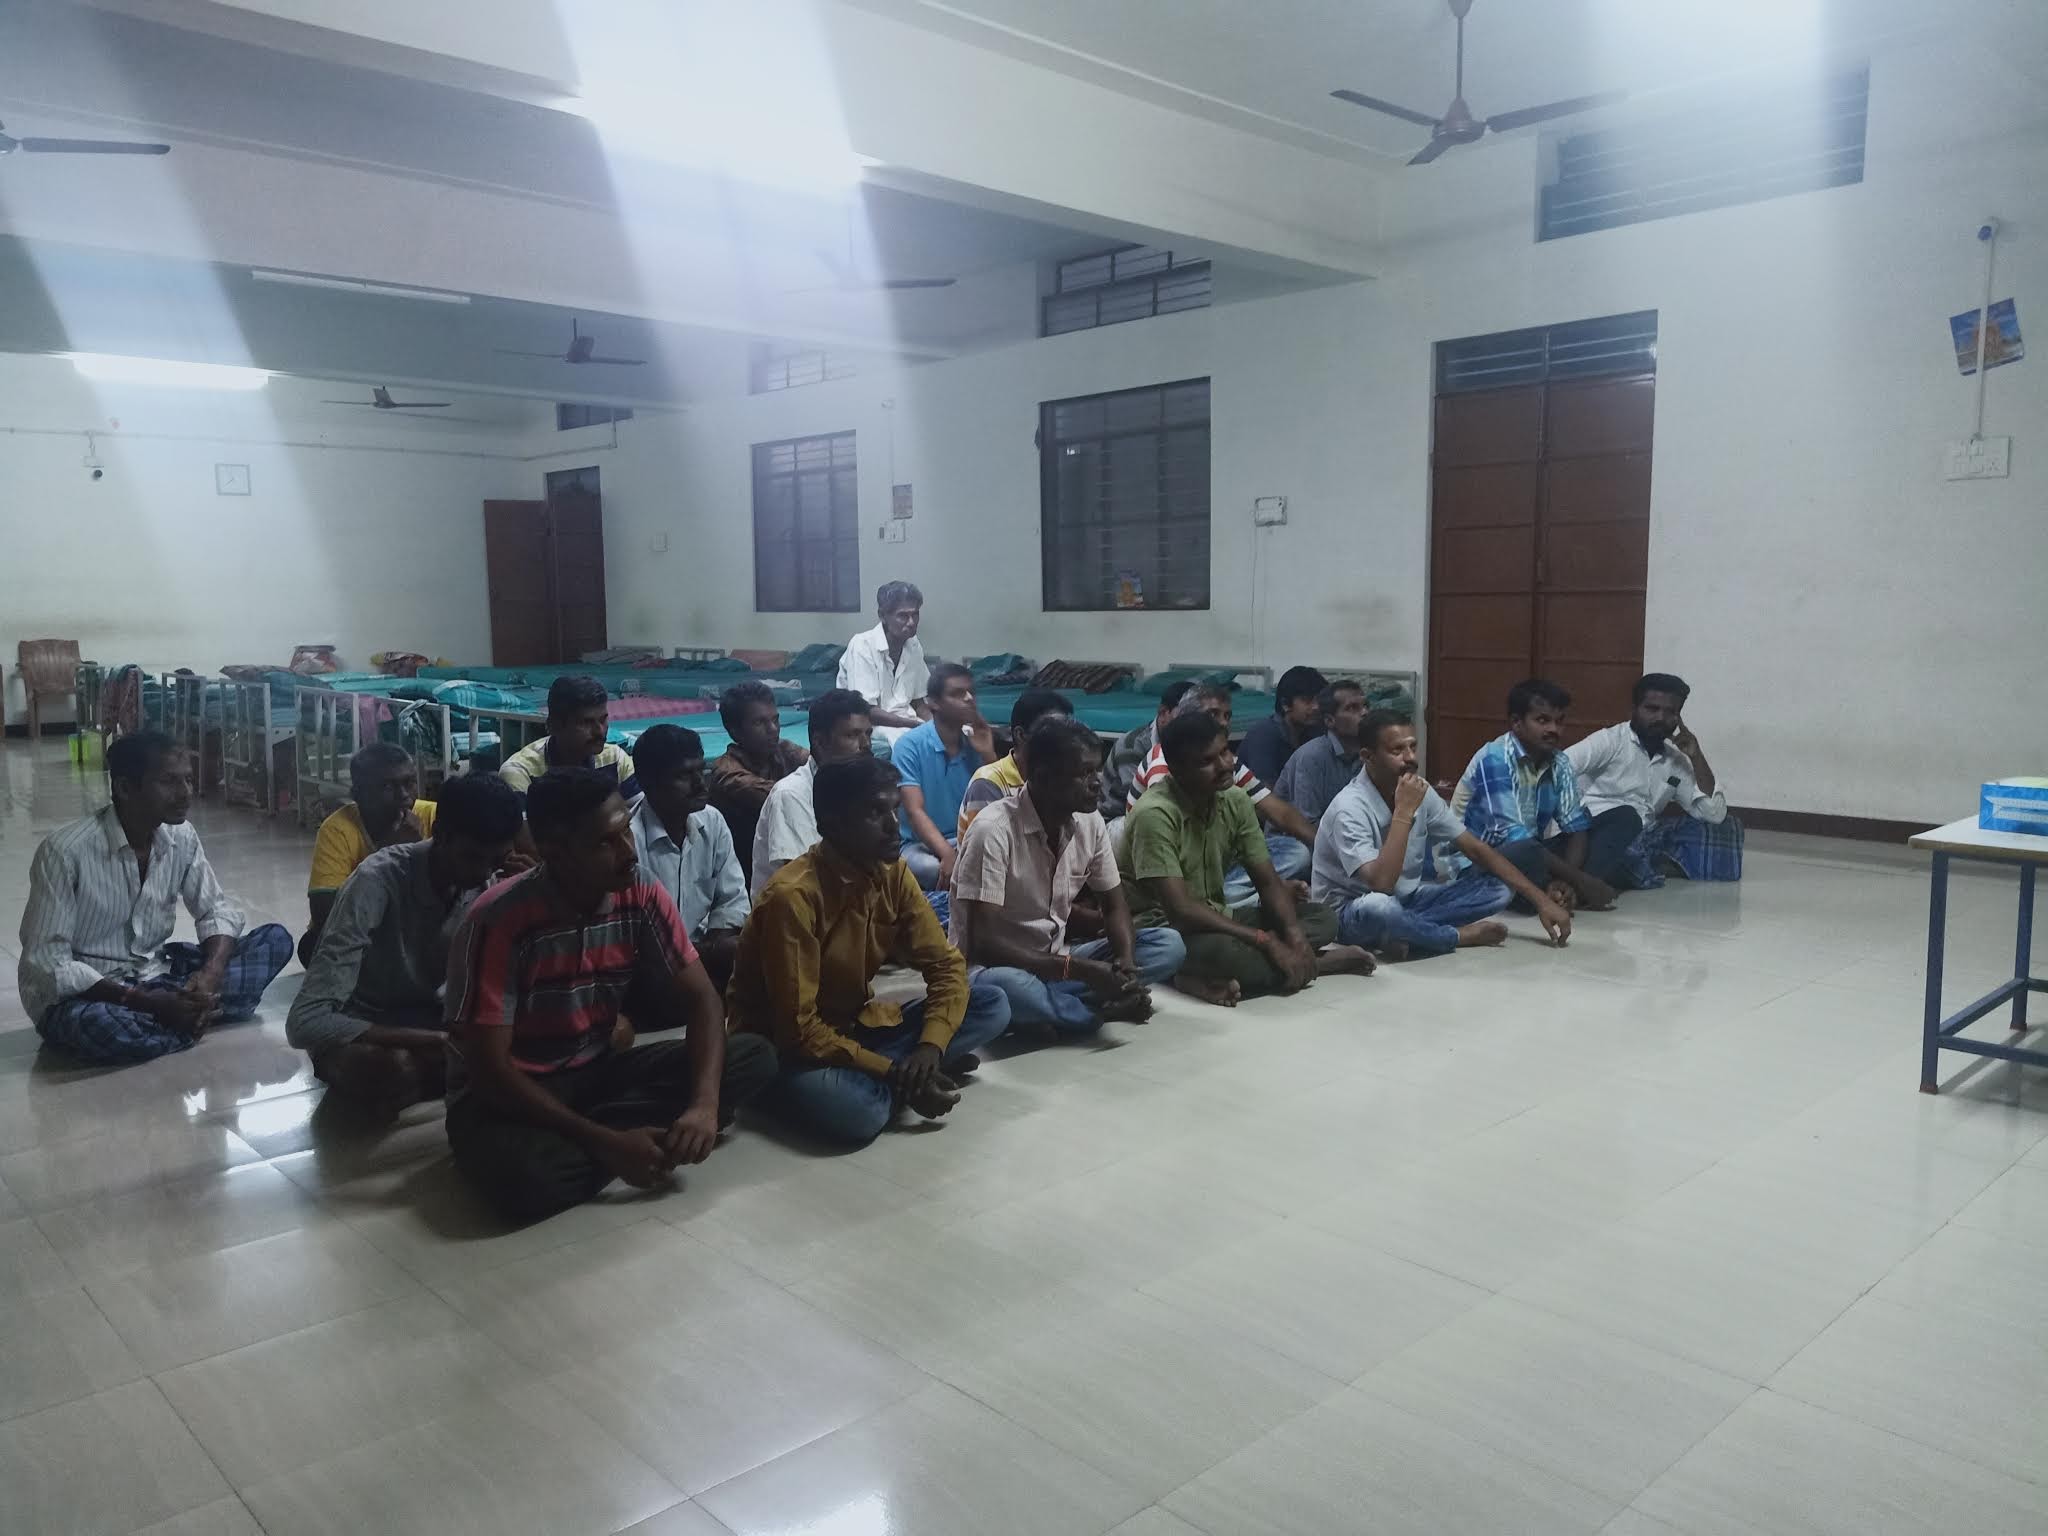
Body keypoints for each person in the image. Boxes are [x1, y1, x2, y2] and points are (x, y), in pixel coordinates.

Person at [442, 769, 777, 1223]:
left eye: (626, 832)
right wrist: (606, 1143)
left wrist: (704, 1105)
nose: (628, 852)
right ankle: (620, 1140)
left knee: (753, 1055)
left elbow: (703, 999)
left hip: (595, 1070)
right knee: (525, 1180)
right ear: (555, 853)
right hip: (509, 1095)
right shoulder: (499, 921)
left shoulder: (639, 890)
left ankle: (613, 1138)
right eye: (605, 842)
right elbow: (490, 1073)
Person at [728, 755, 1011, 1146]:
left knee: (992, 1004)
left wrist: (929, 1048)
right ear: (831, 825)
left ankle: (904, 1071)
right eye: (875, 813)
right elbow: (798, 1029)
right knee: (861, 1113)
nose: (895, 825)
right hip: (787, 1047)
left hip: (855, 1026)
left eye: (894, 809)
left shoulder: (892, 871)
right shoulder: (792, 898)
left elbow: (945, 967)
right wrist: (894, 1070)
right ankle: (887, 1079)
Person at [19, 730, 293, 1064]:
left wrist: (209, 975)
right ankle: (194, 1016)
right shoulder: (64, 852)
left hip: (157, 975)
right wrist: (145, 1002)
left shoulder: (181, 836)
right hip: (92, 995)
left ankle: (183, 1014)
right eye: (169, 781)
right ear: (125, 788)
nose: (186, 793)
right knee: (98, 1025)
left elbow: (215, 910)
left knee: (274, 940)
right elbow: (48, 964)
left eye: (188, 779)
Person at [287, 774, 523, 1113]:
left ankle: (449, 1072)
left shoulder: (491, 880)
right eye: (473, 858)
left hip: (433, 1016)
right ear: (440, 835)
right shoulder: (376, 880)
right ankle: (452, 1073)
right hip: (367, 1023)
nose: (485, 873)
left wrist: (533, 898)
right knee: (388, 1070)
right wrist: (438, 1041)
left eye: (496, 860)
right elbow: (305, 1022)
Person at [954, 716, 1186, 1037]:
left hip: (1054, 960)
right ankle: (1093, 1014)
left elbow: (1114, 905)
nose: (1097, 783)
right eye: (1084, 773)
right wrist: (1077, 970)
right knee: (1008, 990)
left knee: (1168, 945)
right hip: (994, 969)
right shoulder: (992, 830)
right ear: (1042, 777)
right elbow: (984, 944)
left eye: (1097, 770)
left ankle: (1060, 1009)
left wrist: (1125, 964)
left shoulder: (1089, 822)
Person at [1120, 712, 1372, 1006]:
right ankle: (1317, 964)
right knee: (1223, 953)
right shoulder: (1156, 813)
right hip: (1164, 932)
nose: (1225, 765)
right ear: (1176, 769)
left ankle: (1271, 963)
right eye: (1206, 761)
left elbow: (1267, 881)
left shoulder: (1235, 799)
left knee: (1323, 918)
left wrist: (1294, 937)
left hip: (1218, 915)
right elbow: (1181, 911)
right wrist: (1264, 940)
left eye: (1225, 752)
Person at [1313, 711, 1573, 959]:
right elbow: (1382, 884)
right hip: (1350, 913)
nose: (1410, 757)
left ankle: (1406, 933)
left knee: (1499, 891)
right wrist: (1403, 812)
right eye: (1397, 750)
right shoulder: (1348, 808)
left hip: (1407, 901)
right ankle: (1454, 936)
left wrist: (1541, 901)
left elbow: (1475, 848)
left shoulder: (1420, 790)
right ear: (1367, 756)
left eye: (1413, 747)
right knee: (1380, 907)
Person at [1127, 683, 1317, 900]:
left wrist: (1327, 848)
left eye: (1227, 716)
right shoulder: (1167, 762)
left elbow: (1279, 812)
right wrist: (1275, 887)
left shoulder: (1225, 762)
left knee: (1297, 851)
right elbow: (1171, 840)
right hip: (1169, 866)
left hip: (1213, 857)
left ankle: (1239, 897)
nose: (1223, 722)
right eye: (1213, 714)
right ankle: (1241, 899)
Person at [1451, 678, 1618, 911]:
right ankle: (1556, 891)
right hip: (1476, 863)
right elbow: (1513, 838)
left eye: (1559, 721)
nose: (1553, 730)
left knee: (1621, 818)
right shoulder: (1495, 758)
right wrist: (1582, 879)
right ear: (1516, 723)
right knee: (1524, 850)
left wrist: (1568, 879)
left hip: (1529, 851)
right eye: (1542, 720)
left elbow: (1576, 827)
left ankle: (1559, 889)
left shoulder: (1559, 762)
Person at [1564, 672, 1743, 889]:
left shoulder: (1676, 760)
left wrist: (1696, 756)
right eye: (1652, 709)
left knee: (1727, 828)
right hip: (1601, 831)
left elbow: (1714, 814)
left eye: (1670, 712)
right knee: (1624, 826)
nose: (1660, 718)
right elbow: (1558, 769)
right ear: (1633, 710)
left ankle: (1637, 866)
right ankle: (1629, 867)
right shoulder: (1609, 741)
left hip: (1644, 834)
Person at [629, 725, 750, 990]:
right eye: (684, 775)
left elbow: (731, 901)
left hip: (707, 956)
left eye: (701, 770)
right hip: (652, 973)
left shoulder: (712, 821)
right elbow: (637, 941)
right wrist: (702, 955)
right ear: (648, 782)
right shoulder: (629, 841)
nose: (700, 784)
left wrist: (711, 951)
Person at [301, 742, 439, 965]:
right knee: (311, 945)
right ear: (358, 795)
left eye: (410, 783)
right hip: (367, 930)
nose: (404, 795)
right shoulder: (337, 829)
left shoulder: (433, 816)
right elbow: (324, 913)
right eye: (387, 787)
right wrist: (390, 852)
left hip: (414, 927)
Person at [753, 689, 874, 895]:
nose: (866, 745)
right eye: (852, 735)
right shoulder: (790, 795)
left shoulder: (862, 787)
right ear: (820, 742)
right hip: (805, 910)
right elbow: (803, 887)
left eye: (868, 734)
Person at [892, 663, 993, 891]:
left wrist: (987, 752)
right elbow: (914, 811)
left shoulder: (974, 744)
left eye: (971, 692)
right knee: (930, 868)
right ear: (933, 703)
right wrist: (947, 853)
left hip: (966, 840)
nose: (969, 699)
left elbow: (999, 803)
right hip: (920, 844)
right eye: (958, 693)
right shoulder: (909, 745)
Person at [706, 679, 807, 877]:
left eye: (775, 720)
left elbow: (820, 767)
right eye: (759, 723)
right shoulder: (726, 772)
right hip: (741, 872)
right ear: (735, 732)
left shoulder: (783, 750)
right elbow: (783, 796)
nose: (773, 729)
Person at [956, 687, 1074, 838]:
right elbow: (990, 844)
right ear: (1021, 735)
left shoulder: (1063, 776)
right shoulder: (986, 784)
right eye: (1053, 734)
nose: (1064, 742)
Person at [497, 675, 638, 800]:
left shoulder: (614, 759)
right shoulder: (521, 772)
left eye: (603, 720)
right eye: (586, 723)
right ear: (554, 726)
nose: (599, 731)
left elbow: (640, 813)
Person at [837, 579, 929, 745]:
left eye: (915, 614)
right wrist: (915, 725)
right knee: (912, 741)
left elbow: (918, 701)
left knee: (958, 732)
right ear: (883, 616)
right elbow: (866, 711)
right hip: (868, 725)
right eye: (903, 616)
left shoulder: (913, 645)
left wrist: (935, 724)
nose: (911, 622)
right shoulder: (862, 645)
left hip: (907, 722)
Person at [1272, 679, 1368, 827]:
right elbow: (1307, 823)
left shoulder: (1369, 754)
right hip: (1292, 836)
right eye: (1352, 708)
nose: (1365, 713)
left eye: (1365, 706)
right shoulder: (1311, 757)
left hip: (1344, 833)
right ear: (1330, 721)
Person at [1101, 679, 1194, 820]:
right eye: (1184, 717)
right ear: (1163, 712)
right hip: (1117, 817)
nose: (1191, 724)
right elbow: (1142, 804)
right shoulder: (1131, 746)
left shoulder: (1194, 743)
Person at [1237, 666, 1329, 786]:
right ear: (1285, 704)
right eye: (1307, 700)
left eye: (1319, 700)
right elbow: (1264, 793)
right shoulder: (1264, 735)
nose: (1316, 707)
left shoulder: (1316, 732)